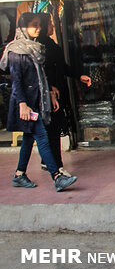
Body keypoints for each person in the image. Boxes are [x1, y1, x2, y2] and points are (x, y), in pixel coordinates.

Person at [1, 12, 77, 191]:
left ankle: (19, 174)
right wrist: (22, 104)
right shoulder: (16, 51)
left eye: (39, 25)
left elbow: (40, 77)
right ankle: (57, 176)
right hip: (26, 104)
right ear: (22, 27)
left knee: (29, 139)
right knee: (42, 137)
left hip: (37, 101)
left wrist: (49, 92)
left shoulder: (34, 48)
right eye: (33, 25)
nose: (38, 28)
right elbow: (17, 81)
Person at [37, 13, 92, 176]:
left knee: (54, 128)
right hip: (49, 94)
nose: (52, 27)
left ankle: (49, 162)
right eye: (50, 24)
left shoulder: (51, 45)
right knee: (50, 129)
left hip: (58, 92)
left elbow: (62, 66)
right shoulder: (38, 47)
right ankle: (55, 166)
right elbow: (41, 72)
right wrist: (49, 89)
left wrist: (78, 75)